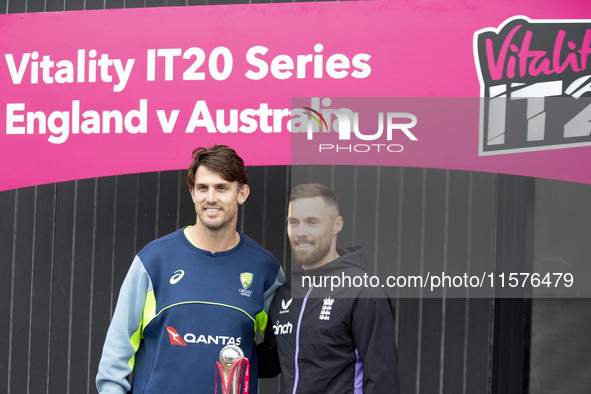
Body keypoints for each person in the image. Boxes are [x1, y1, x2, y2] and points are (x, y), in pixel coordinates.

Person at [96, 145, 285, 394]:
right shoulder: (154, 260)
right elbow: (116, 354)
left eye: (222, 188)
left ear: (242, 193)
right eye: (203, 188)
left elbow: (288, 347)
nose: (211, 198)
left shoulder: (265, 270)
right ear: (192, 193)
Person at [258, 183, 400, 393]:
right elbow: (270, 361)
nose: (300, 232)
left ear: (337, 224)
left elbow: (382, 379)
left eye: (312, 222)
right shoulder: (285, 293)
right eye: (293, 222)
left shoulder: (362, 291)